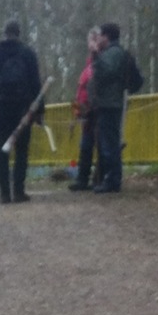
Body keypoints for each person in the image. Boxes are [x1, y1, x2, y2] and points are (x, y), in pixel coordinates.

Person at [0, 19, 43, 203]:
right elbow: (36, 84)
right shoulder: (27, 54)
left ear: (4, 33)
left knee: (2, 150)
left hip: (2, 109)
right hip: (23, 110)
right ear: (19, 33)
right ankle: (19, 191)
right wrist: (39, 110)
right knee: (22, 151)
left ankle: (4, 193)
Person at [88, 22, 129, 194]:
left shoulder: (114, 53)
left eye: (100, 36)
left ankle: (112, 180)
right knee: (107, 142)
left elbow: (106, 71)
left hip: (110, 103)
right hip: (107, 102)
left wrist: (96, 54)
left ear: (106, 36)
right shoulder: (111, 53)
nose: (98, 39)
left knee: (110, 144)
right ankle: (110, 178)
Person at [69, 26, 102, 192]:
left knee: (99, 145)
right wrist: (78, 109)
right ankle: (82, 178)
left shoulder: (101, 62)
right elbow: (82, 89)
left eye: (94, 40)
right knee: (85, 146)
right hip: (85, 111)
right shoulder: (88, 66)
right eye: (90, 41)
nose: (91, 44)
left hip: (96, 110)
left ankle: (99, 178)